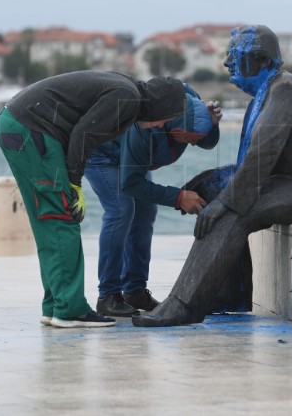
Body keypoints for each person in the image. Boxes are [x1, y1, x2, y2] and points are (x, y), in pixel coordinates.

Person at [133, 24, 292, 327]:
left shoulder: (285, 90)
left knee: (230, 213)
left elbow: (262, 157)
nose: (227, 63)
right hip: (289, 180)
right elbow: (253, 161)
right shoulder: (268, 91)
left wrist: (225, 203)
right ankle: (227, 294)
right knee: (212, 190)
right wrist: (210, 186)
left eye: (235, 55)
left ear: (262, 60)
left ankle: (184, 305)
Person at [0, 71, 186, 328]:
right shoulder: (127, 98)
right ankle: (69, 309)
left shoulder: (127, 90)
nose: (162, 125)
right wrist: (74, 184)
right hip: (33, 130)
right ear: (160, 106)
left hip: (19, 125)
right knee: (62, 217)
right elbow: (82, 136)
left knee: (49, 221)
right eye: (168, 117)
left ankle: (55, 306)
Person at [85, 89, 221, 317]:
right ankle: (108, 295)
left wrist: (213, 124)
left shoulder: (189, 110)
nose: (193, 144)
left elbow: (205, 141)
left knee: (146, 212)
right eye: (189, 139)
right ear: (173, 128)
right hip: (102, 154)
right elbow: (130, 183)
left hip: (131, 159)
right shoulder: (146, 129)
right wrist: (178, 198)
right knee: (121, 210)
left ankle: (134, 290)